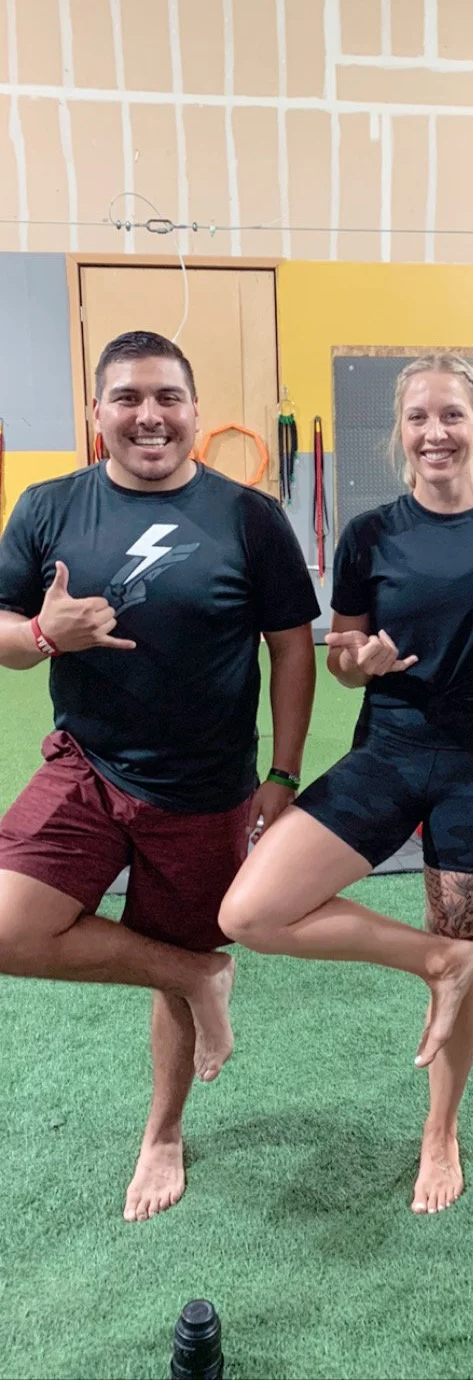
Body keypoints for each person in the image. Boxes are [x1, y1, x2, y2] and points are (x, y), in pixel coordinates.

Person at [219, 353, 473, 1214]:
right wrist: (359, 663)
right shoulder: (370, 533)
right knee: (250, 911)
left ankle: (440, 1131)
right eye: (418, 417)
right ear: (399, 431)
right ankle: (437, 961)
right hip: (389, 753)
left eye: (451, 415)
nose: (434, 432)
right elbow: (341, 654)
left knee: (464, 967)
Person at [0, 330, 319, 1224]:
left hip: (204, 788)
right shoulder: (48, 506)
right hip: (86, 766)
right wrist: (38, 636)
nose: (150, 416)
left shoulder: (249, 517)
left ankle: (164, 1132)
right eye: (128, 398)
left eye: (168, 397)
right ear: (97, 413)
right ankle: (201, 974)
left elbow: (292, 649)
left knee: (163, 979)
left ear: (194, 408)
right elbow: (5, 630)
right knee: (12, 930)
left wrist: (283, 771)